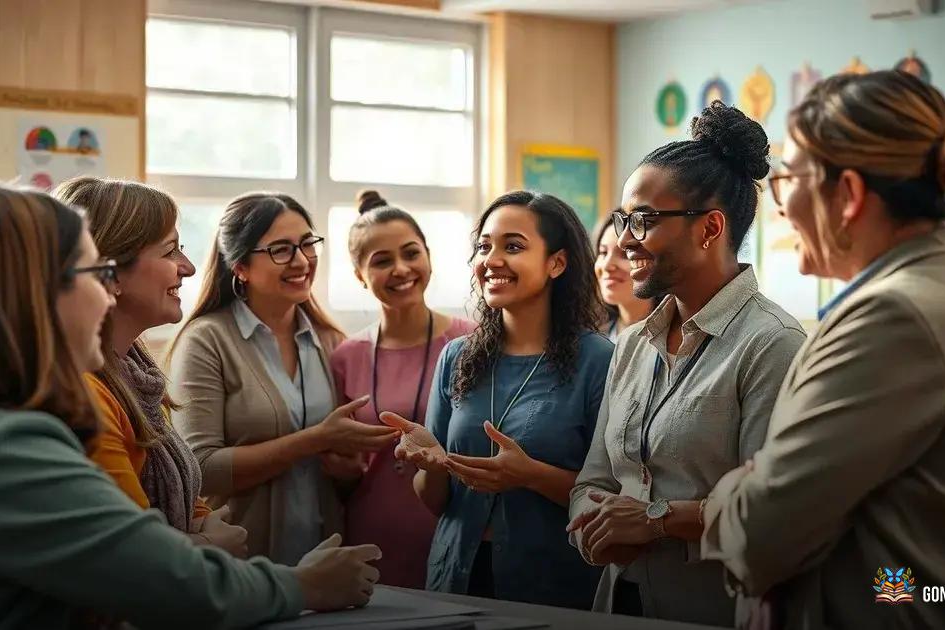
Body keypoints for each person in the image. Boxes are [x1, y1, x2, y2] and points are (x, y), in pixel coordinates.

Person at [0, 184, 381, 629]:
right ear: (35, 294)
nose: (108, 297)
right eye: (97, 275)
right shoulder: (5, 446)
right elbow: (167, 584)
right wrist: (304, 585)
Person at [701, 71, 945, 629]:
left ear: (846, 195)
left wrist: (731, 485)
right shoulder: (935, 282)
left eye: (788, 179)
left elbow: (758, 534)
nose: (779, 205)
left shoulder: (891, 318)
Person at [566, 102, 805, 626]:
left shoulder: (772, 344)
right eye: (626, 219)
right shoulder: (632, 343)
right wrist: (594, 526)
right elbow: (594, 480)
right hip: (618, 602)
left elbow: (772, 513)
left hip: (710, 609)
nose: (624, 239)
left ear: (709, 228)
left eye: (645, 221)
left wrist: (655, 521)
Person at [381, 191, 613, 609]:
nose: (492, 259)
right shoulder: (457, 356)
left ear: (556, 263)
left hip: (551, 585)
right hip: (456, 579)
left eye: (514, 246)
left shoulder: (597, 360)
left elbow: (611, 495)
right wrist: (432, 466)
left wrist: (529, 475)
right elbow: (437, 500)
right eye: (484, 246)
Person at [168, 192, 399, 565]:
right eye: (280, 249)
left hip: (324, 558)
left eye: (308, 244)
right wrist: (314, 440)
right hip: (242, 565)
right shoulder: (207, 340)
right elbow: (201, 470)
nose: (302, 260)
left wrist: (347, 471)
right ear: (240, 266)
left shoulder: (329, 341)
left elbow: (341, 472)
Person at [52, 176, 246, 557]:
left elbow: (187, 500)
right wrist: (204, 546)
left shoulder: (138, 377)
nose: (188, 268)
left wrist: (200, 529)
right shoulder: (86, 395)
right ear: (110, 273)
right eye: (170, 251)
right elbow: (130, 555)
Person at [329, 190, 475, 589]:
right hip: (371, 533)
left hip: (451, 528)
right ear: (359, 275)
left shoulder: (472, 343)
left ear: (428, 256)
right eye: (381, 261)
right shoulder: (346, 356)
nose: (400, 269)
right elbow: (344, 466)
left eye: (411, 253)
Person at [592, 213, 657, 341]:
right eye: (603, 252)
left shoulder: (675, 339)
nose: (607, 265)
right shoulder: (593, 340)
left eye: (624, 254)